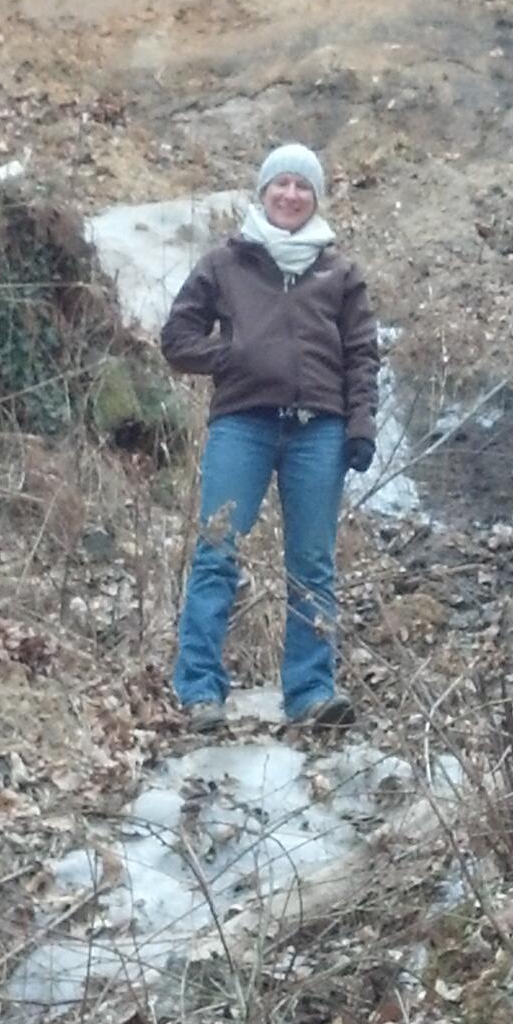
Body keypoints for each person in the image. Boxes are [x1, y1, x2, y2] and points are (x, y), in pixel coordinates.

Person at [160, 144, 379, 732]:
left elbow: (361, 355)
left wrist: (360, 425)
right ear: (262, 194)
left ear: (316, 198)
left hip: (320, 432)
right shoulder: (223, 264)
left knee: (312, 564)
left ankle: (310, 692)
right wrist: (230, 354)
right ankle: (200, 691)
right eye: (280, 184)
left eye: (302, 186)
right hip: (243, 424)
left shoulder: (341, 273)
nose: (290, 194)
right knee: (216, 552)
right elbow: (177, 338)